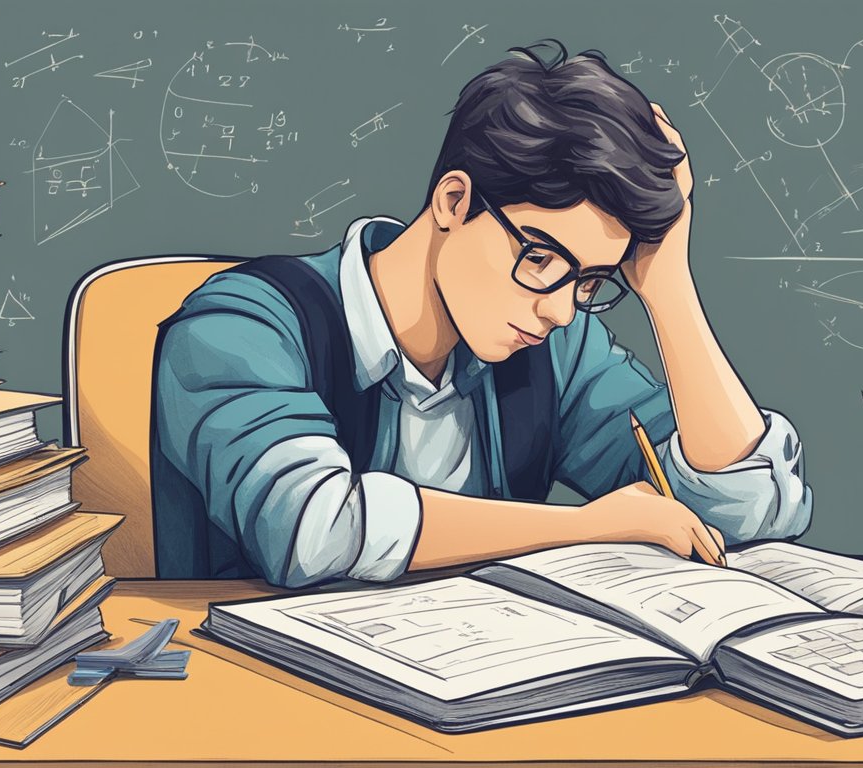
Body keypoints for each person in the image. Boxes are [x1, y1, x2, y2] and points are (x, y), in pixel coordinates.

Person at [150, 40, 812, 588]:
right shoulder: (238, 327)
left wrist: (667, 288)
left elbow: (749, 513)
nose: (559, 308)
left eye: (590, 281)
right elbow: (312, 529)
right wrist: (586, 526)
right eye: (543, 257)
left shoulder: (554, 347)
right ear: (454, 201)